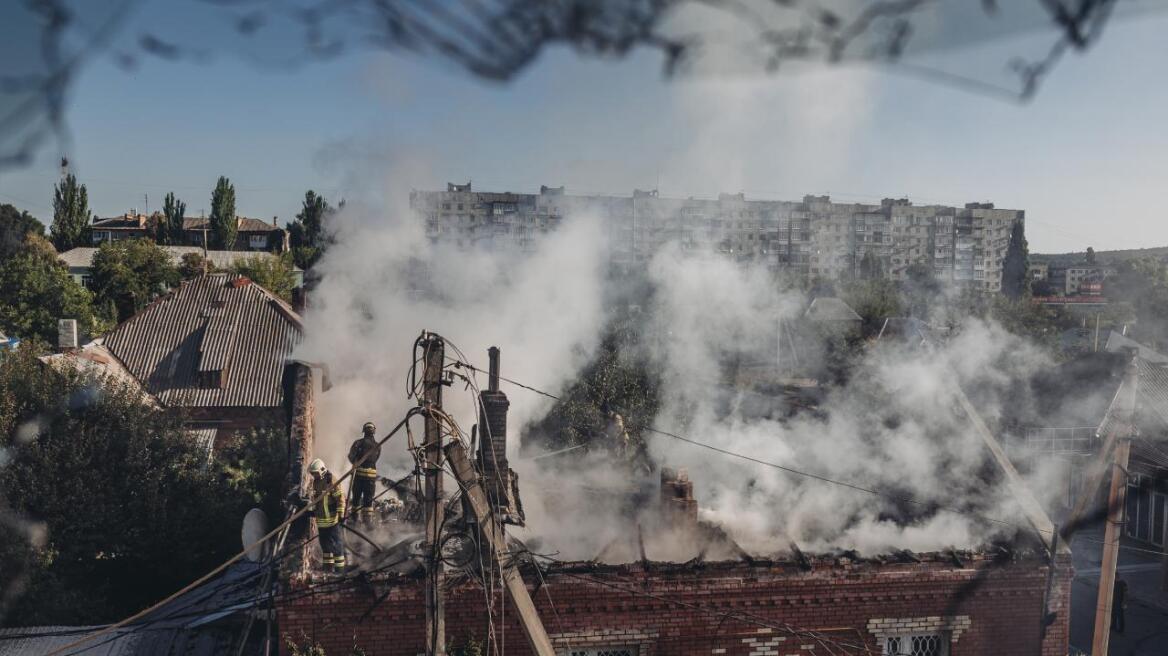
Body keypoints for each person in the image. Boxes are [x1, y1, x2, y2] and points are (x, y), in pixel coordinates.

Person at [307, 458, 346, 573]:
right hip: (321, 521)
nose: (314, 475)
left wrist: (341, 514)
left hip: (332, 520)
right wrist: (313, 511)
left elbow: (340, 498)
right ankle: (328, 569)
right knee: (325, 546)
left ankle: (339, 570)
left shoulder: (330, 480)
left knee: (336, 546)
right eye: (312, 473)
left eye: (315, 473)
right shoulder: (316, 482)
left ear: (322, 470)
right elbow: (317, 501)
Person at [348, 421, 381, 526]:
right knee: (368, 500)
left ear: (364, 431)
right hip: (371, 477)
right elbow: (376, 458)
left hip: (359, 476)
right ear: (374, 431)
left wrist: (356, 463)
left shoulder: (358, 443)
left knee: (356, 498)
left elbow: (351, 456)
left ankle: (355, 520)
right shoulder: (377, 446)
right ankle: (368, 523)